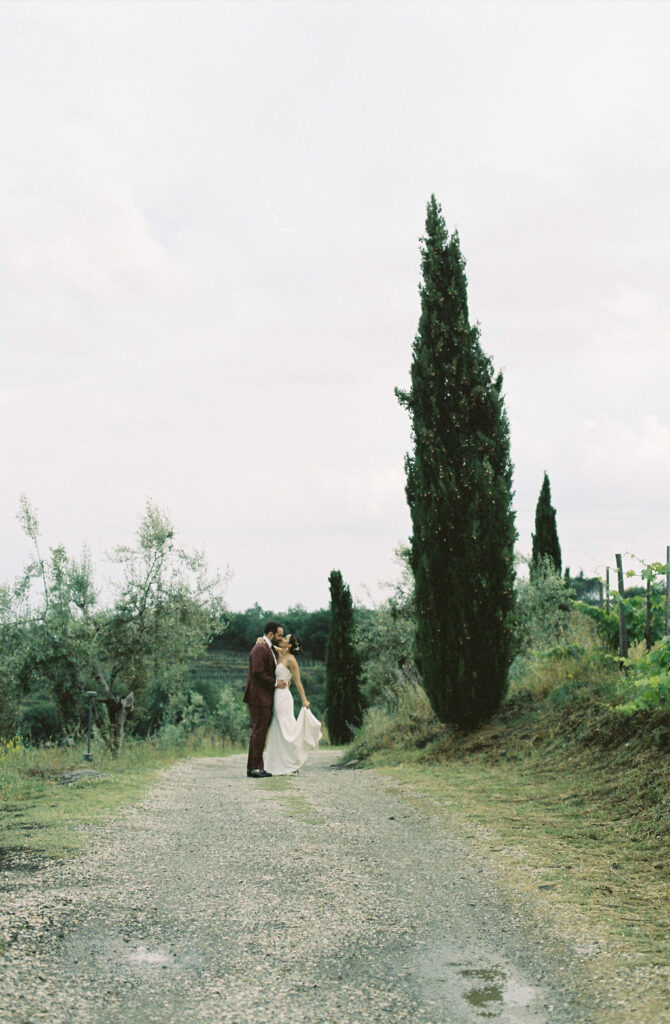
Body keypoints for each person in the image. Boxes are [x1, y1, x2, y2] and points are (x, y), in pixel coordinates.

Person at [263, 633, 322, 776]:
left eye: (285, 638)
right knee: (278, 726)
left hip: (284, 697)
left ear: (289, 645)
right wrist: (261, 640)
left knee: (286, 727)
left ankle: (291, 761)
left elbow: (298, 682)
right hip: (276, 694)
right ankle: (278, 762)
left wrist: (304, 700)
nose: (282, 639)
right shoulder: (281, 652)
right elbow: (269, 645)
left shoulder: (291, 660)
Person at [243, 620, 287, 778]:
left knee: (259, 732)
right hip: (258, 697)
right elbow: (258, 672)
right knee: (259, 732)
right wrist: (276, 683)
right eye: (279, 635)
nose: (280, 638)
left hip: (262, 697)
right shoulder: (260, 648)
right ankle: (255, 768)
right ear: (271, 634)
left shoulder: (265, 647)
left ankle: (254, 767)